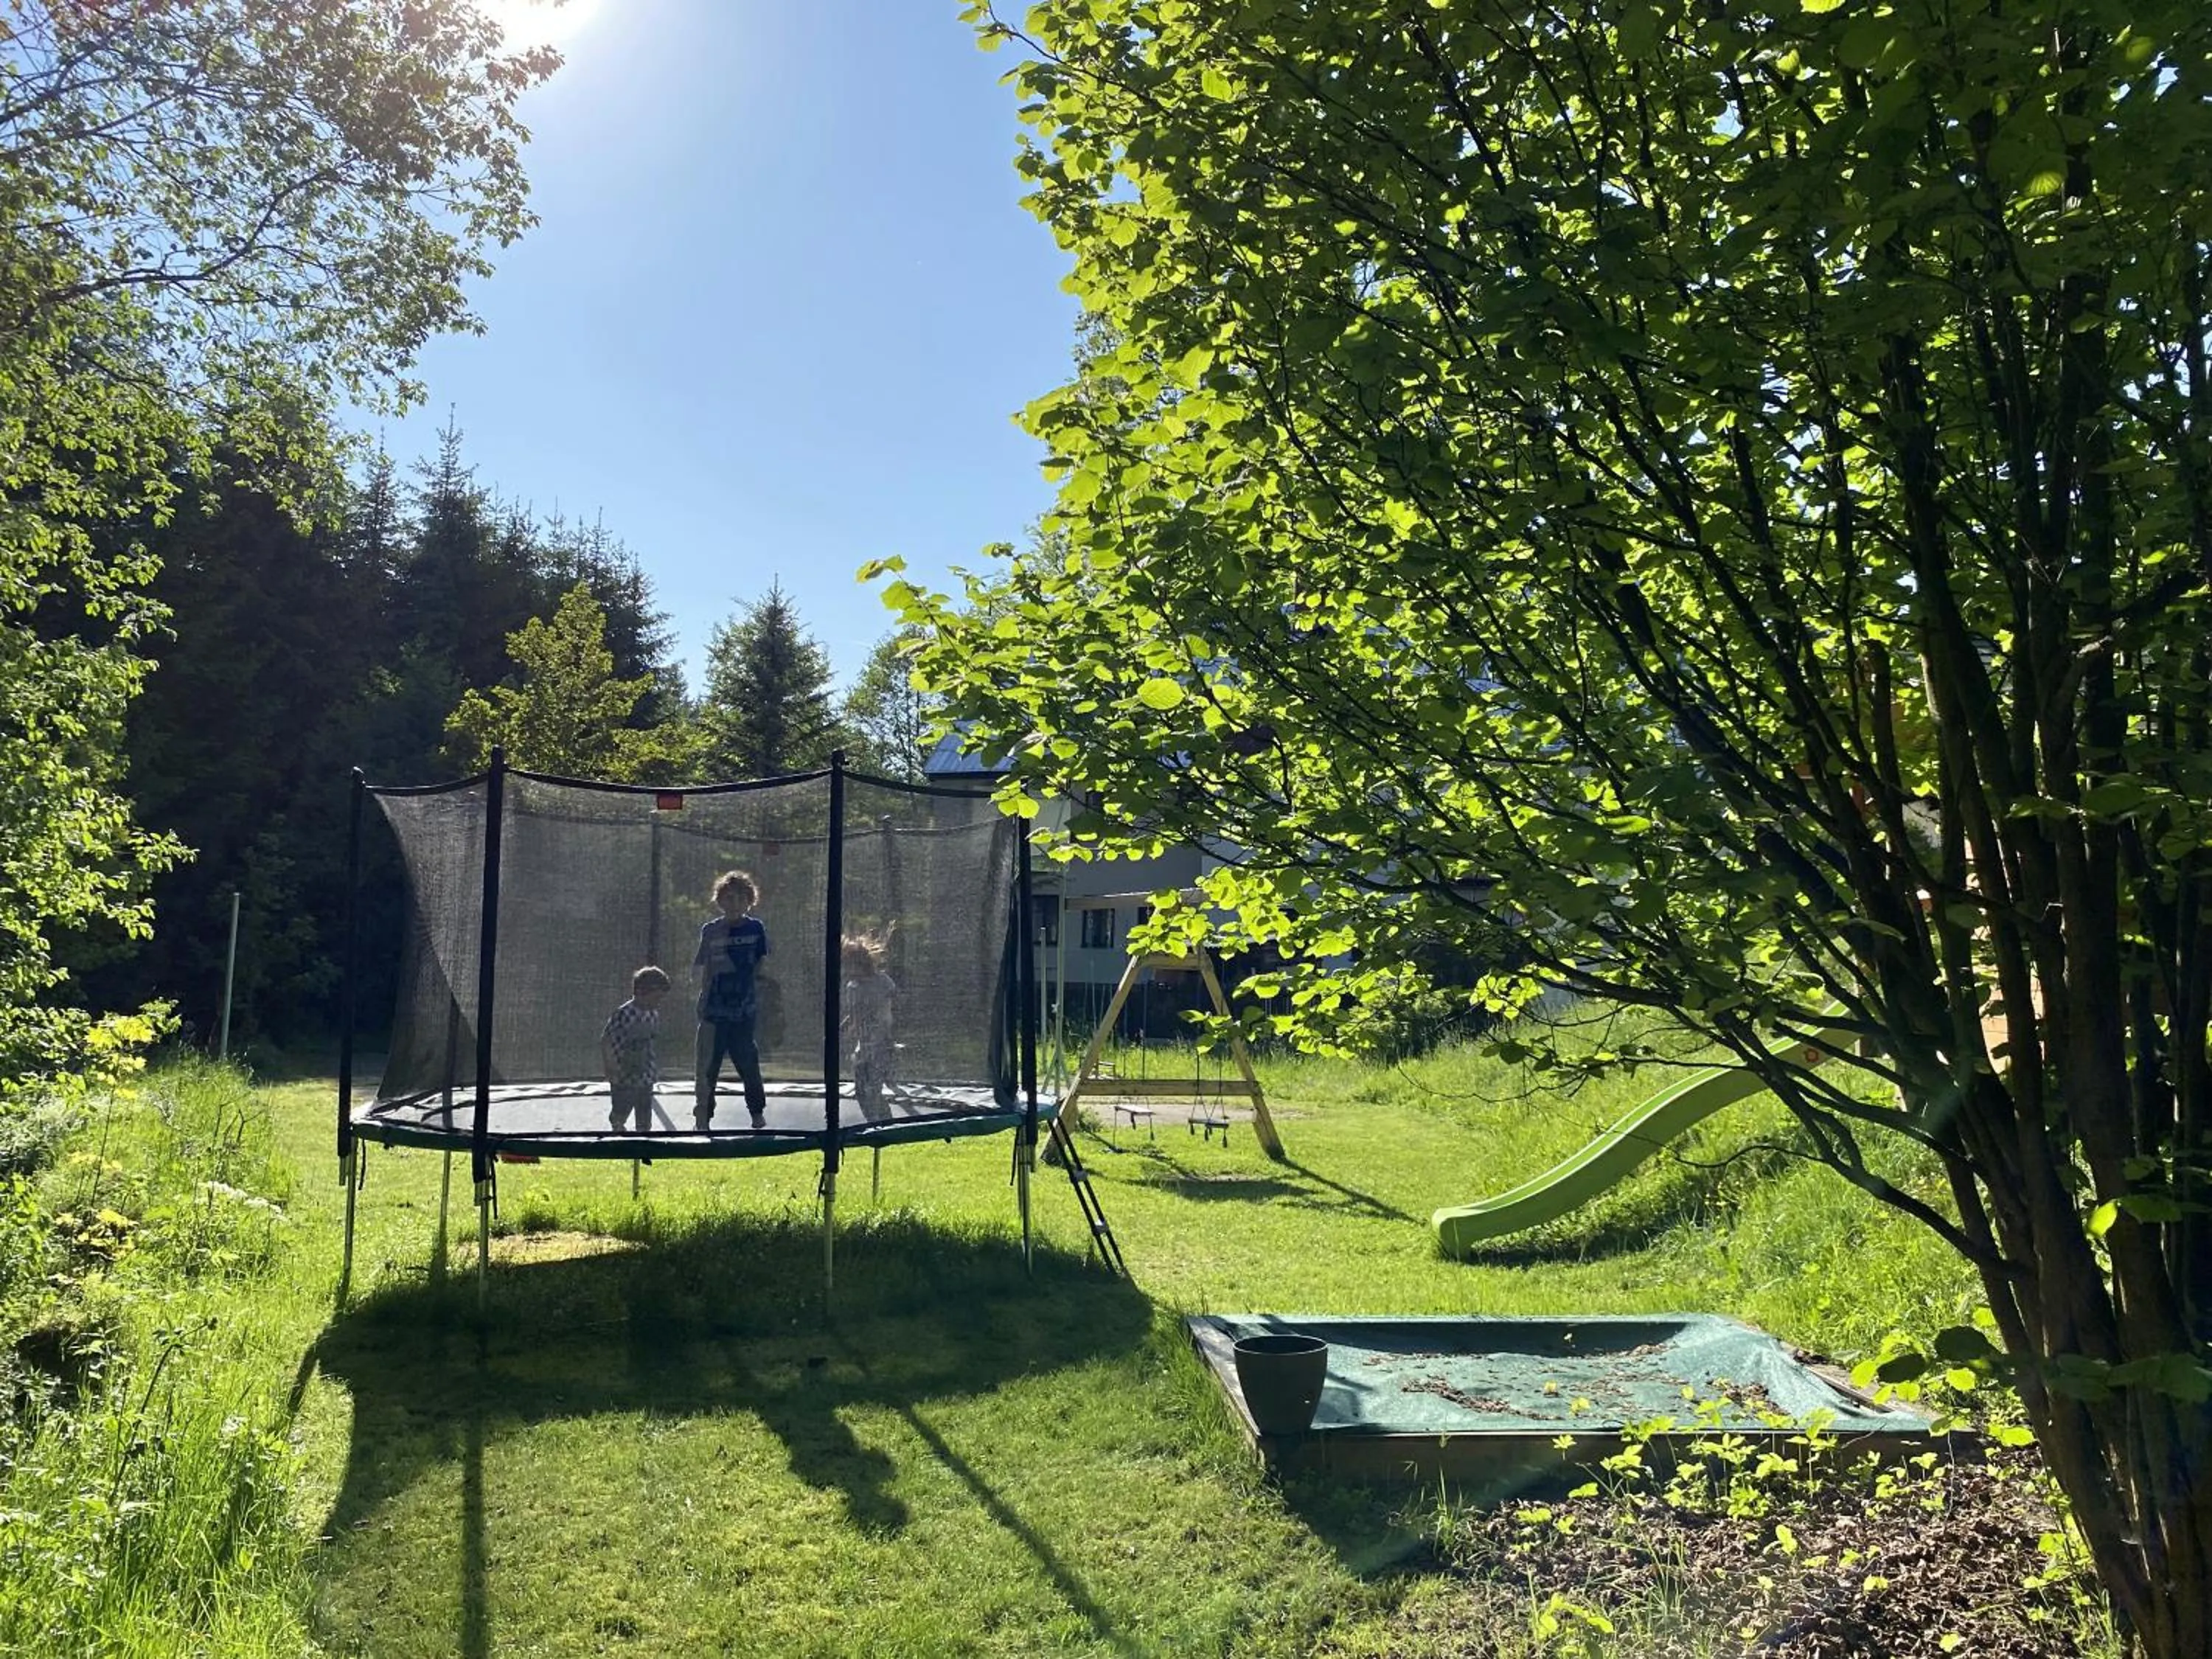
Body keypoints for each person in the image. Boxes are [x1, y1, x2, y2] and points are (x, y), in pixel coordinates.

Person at [695, 870, 771, 1128]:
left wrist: (752, 992)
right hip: (715, 1010)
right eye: (728, 899)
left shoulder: (755, 928)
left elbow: (760, 963)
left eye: (739, 899)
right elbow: (706, 968)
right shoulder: (711, 931)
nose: (733, 904)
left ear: (749, 901)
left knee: (748, 1062)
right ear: (720, 901)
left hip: (743, 1011)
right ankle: (703, 1116)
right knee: (708, 1066)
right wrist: (703, 998)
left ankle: (757, 1113)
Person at [601, 965, 671, 1133]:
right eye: (655, 998)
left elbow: (651, 1041)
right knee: (621, 1109)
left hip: (645, 1074)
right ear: (640, 992)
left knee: (644, 1112)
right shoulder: (624, 1013)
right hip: (623, 1074)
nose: (657, 1003)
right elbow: (606, 1040)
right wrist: (610, 1066)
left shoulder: (653, 1014)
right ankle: (617, 1125)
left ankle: (643, 1140)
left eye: (660, 999)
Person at [840, 928, 897, 1121]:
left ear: (861, 963)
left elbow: (885, 1013)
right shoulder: (852, 987)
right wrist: (843, 1029)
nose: (847, 970)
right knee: (860, 1090)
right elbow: (854, 1015)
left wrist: (883, 1038)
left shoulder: (882, 982)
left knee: (873, 1088)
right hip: (863, 1046)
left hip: (881, 1044)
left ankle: (886, 1124)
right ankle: (874, 1123)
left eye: (850, 965)